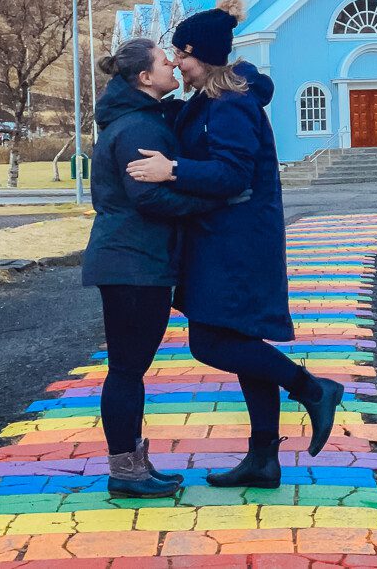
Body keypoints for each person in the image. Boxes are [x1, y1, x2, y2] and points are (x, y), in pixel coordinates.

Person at [127, 0, 344, 489]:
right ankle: (263, 459)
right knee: (242, 341)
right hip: (222, 236)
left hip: (238, 241)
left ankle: (312, 388)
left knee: (211, 341)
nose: (176, 63)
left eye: (180, 54)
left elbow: (232, 172)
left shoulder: (230, 104)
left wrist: (172, 169)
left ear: (198, 56)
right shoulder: (210, 101)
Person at [82, 38, 224, 499]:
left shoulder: (138, 121)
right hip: (132, 263)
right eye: (166, 62)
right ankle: (125, 471)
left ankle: (134, 463)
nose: (172, 67)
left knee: (130, 367)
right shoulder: (139, 129)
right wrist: (209, 201)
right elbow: (149, 195)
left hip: (134, 260)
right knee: (126, 368)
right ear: (145, 78)